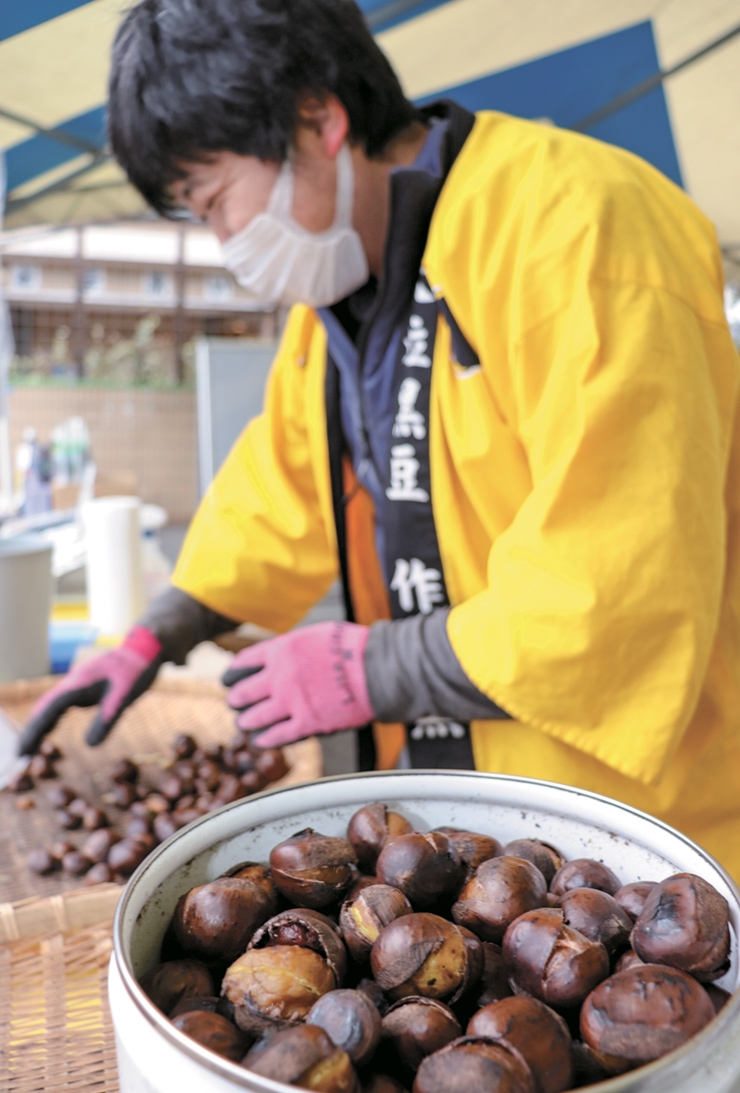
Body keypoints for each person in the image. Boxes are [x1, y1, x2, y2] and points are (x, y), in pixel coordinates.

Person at [20, 0, 740, 876]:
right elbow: (276, 494)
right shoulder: (337, 298)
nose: (224, 243)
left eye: (213, 201)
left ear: (318, 118)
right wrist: (155, 634)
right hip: (475, 828)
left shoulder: (581, 224)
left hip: (643, 837)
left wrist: (370, 666)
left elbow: (620, 584)